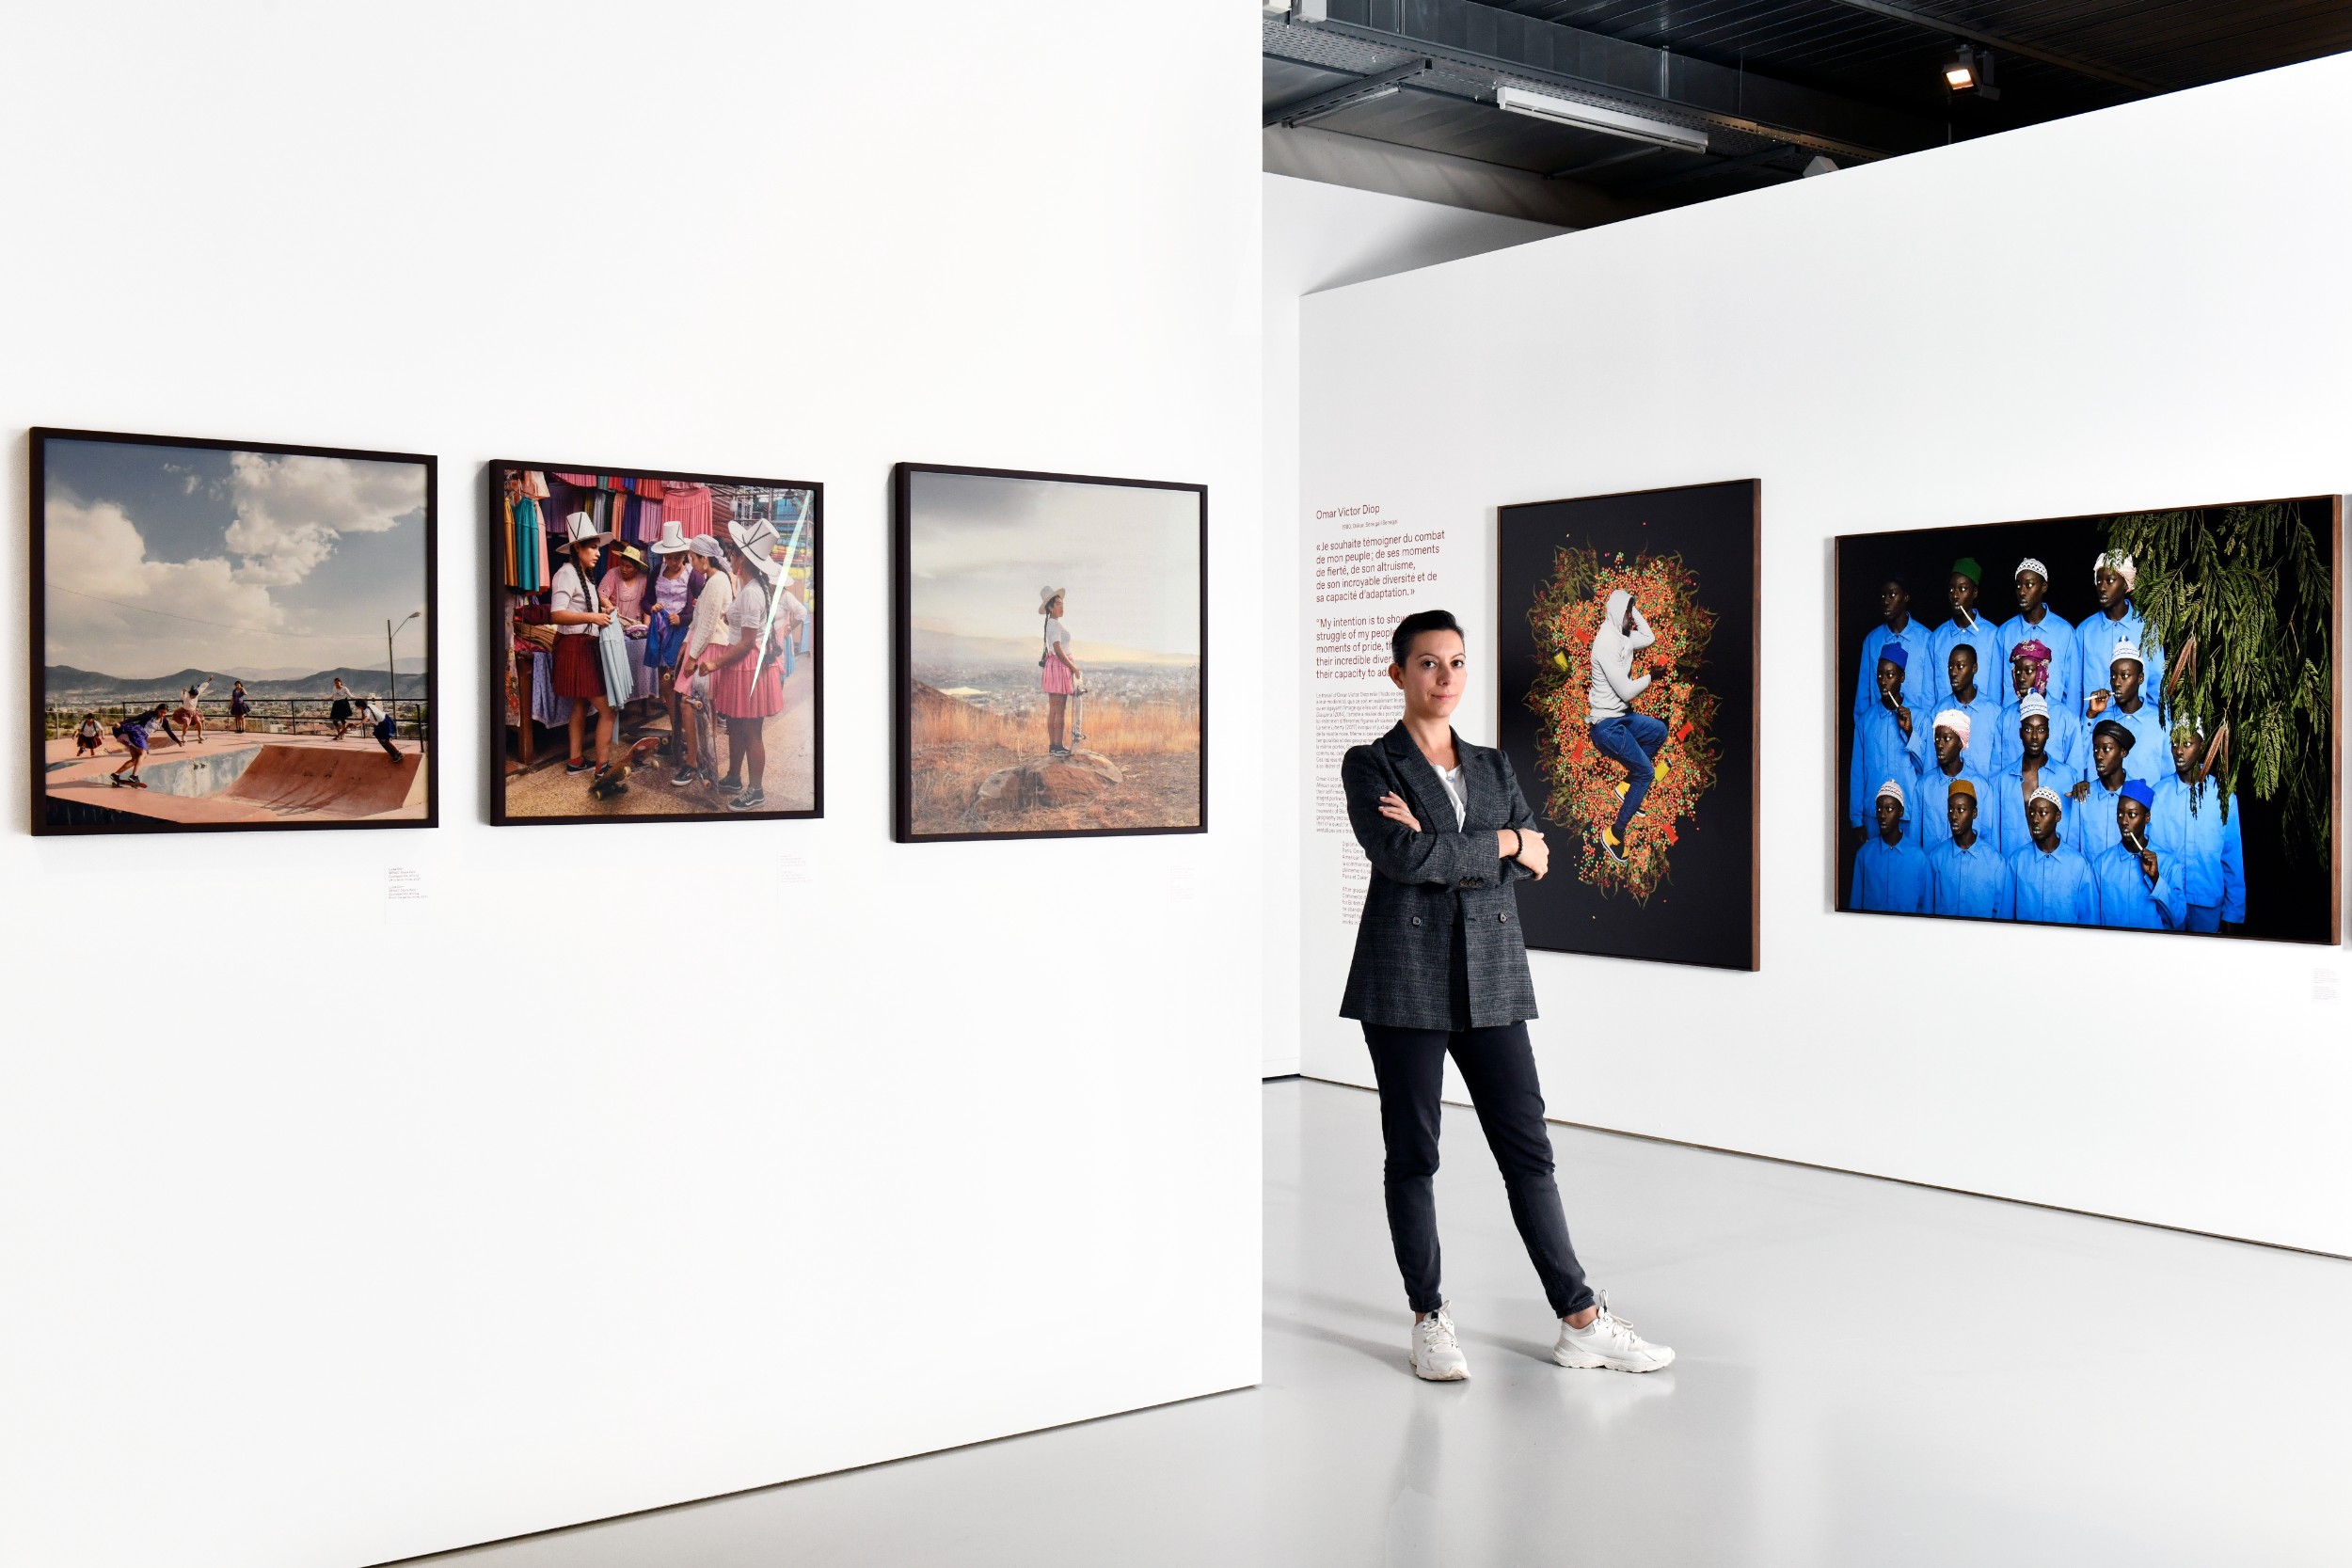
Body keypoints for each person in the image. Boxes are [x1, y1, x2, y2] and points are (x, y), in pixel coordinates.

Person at [1342, 608, 1672, 1383]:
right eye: (1429, 662)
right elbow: (1402, 857)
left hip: (1491, 973)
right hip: (1404, 979)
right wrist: (1500, 842)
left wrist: (1462, 846)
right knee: (1414, 1154)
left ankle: (1580, 1319)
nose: (1445, 676)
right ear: (1398, 673)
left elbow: (1537, 858)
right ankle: (1429, 1317)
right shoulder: (1371, 763)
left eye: (1456, 661)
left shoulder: (1491, 764)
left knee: (1528, 1150)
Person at [706, 519, 788, 812]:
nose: (730, 557)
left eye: (734, 553)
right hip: (744, 665)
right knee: (737, 725)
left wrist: (715, 663)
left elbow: (746, 643)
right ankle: (733, 777)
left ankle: (756, 791)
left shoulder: (752, 591)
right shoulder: (750, 587)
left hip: (747, 665)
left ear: (744, 558)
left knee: (751, 730)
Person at [1587, 588, 1673, 865]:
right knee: (1646, 773)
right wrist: (1651, 676)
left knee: (1659, 731)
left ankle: (1627, 786)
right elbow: (1625, 691)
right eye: (1626, 612)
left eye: (1630, 612)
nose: (1630, 617)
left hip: (1622, 718)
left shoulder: (1623, 634)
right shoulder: (1605, 643)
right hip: (1606, 727)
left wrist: (1631, 606)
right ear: (1615, 613)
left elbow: (1649, 637)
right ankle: (1615, 834)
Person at [2152, 718, 2247, 935]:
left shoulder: (2223, 797)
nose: (2179, 751)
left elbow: (2232, 858)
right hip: (2166, 903)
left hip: (2208, 906)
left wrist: (2233, 913)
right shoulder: (2157, 795)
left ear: (2202, 747)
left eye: (2187, 744)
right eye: (2175, 744)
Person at [548, 513, 618, 778]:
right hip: (576, 647)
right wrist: (593, 617)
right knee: (608, 710)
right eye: (593, 547)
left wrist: (603, 607)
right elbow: (556, 614)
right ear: (577, 547)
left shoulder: (584, 577)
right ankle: (603, 767)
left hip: (584, 646)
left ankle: (575, 760)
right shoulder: (566, 574)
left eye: (598, 548)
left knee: (580, 704)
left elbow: (583, 603)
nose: (598, 553)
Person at [670, 535, 735, 789]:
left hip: (708, 648)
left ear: (704, 559)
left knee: (690, 705)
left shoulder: (717, 582)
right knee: (701, 706)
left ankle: (694, 762)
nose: (691, 562)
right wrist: (686, 644)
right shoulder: (713, 580)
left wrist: (693, 657)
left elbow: (707, 625)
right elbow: (699, 620)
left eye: (693, 558)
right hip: (701, 645)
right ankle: (702, 759)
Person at [1850, 645, 1925, 845]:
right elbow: (1857, 773)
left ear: (1902, 677)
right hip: (1874, 817)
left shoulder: (1920, 718)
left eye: (1890, 675)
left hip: (1909, 815)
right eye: (1879, 675)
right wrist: (1856, 819)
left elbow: (1926, 768)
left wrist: (1910, 733)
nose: (1883, 681)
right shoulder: (1865, 722)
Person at [2076, 552, 2164, 722]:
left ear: (2125, 584)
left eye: (2110, 581)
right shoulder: (2084, 631)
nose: (2102, 588)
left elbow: (2158, 684)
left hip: (2137, 728)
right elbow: (2075, 689)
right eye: (2099, 581)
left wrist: (2158, 725)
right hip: (2095, 728)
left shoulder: (2147, 628)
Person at [2090, 780, 2184, 930]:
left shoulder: (2169, 863)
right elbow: (2090, 920)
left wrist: (2156, 879)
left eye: (2132, 814)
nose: (2124, 822)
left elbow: (2177, 918)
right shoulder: (2101, 864)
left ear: (2147, 818)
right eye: (2120, 814)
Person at [1996, 557, 2076, 719]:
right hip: (2013, 721)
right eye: (2018, 585)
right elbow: (1995, 689)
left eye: (2029, 585)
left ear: (2044, 587)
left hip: (2052, 721)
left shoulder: (2064, 631)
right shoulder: (2005, 632)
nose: (2022, 592)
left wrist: (2066, 723)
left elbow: (2072, 689)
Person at [1992, 639, 2084, 780]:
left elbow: (2075, 776)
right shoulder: (2005, 718)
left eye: (2029, 671)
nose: (2022, 678)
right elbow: (1995, 774)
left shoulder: (2067, 718)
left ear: (2042, 672)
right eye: (2018, 672)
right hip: (2015, 793)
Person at [2008, 787, 2099, 926]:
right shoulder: (2017, 861)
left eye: (2043, 813)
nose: (2035, 819)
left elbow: (2088, 919)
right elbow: (2005, 915)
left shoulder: (2078, 864)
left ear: (2058, 817)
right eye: (2031, 813)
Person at [1915, 710, 1998, 860]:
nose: (1940, 745)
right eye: (1937, 738)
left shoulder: (1981, 787)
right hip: (1933, 870)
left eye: (1947, 738)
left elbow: (1987, 838)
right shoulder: (1923, 786)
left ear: (1961, 742)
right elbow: (1915, 840)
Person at [1991, 695, 2069, 852]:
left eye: (2041, 730)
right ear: (2020, 733)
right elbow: (1995, 836)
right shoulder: (2002, 781)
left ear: (2048, 733)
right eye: (2028, 729)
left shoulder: (2067, 776)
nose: (2034, 737)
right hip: (2014, 863)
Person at [2082, 640, 2165, 786]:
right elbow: (2079, 758)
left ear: (2140, 678)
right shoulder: (2100, 720)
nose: (2117, 683)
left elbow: (2168, 777)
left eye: (2125, 676)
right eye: (2113, 677)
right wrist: (2091, 715)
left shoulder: (2159, 723)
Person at [1853, 577, 1933, 724]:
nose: (1886, 601)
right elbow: (1863, 696)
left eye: (1892, 595)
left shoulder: (1927, 639)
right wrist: (1862, 729)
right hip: (1879, 728)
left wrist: (1926, 728)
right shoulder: (1872, 641)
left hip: (1916, 727)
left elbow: (1932, 691)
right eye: (1883, 596)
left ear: (1906, 597)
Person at [646, 520, 696, 756]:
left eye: (677, 557)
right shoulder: (656, 571)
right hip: (660, 633)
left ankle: (687, 736)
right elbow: (645, 600)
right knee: (666, 685)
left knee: (681, 686)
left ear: (685, 555)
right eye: (669, 557)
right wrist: (652, 607)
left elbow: (700, 609)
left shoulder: (693, 575)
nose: (673, 562)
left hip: (682, 634)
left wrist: (682, 618)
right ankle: (677, 734)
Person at [1929, 779, 2010, 919]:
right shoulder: (1936, 857)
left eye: (1961, 810)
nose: (1954, 816)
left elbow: (2001, 914)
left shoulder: (1995, 862)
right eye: (1950, 810)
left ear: (1974, 813)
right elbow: (1927, 909)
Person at [1929, 557, 2001, 711]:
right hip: (1944, 722)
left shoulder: (1994, 636)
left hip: (1984, 720)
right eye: (1951, 589)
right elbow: (1928, 694)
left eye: (1962, 589)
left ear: (1974, 592)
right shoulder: (1936, 638)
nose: (1955, 595)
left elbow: (1998, 687)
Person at [1851, 779, 1931, 914]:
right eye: (1879, 809)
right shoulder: (1864, 854)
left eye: (1889, 809)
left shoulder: (1919, 858)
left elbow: (1924, 908)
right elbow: (1855, 904)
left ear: (1901, 812)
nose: (1882, 815)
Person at [598, 541, 657, 715]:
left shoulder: (643, 579)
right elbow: (602, 594)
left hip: (634, 626)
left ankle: (639, 698)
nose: (624, 569)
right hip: (615, 624)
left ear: (636, 568)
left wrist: (646, 627)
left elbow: (646, 604)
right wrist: (609, 607)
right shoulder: (612, 574)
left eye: (628, 566)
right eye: (622, 564)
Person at [2069, 720, 2136, 862]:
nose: (2099, 756)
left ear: (2123, 752)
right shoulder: (2083, 797)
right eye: (2095, 749)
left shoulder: (2138, 797)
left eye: (2106, 749)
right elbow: (2072, 852)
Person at [1040, 587, 1081, 758]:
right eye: (1057, 604)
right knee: (1059, 709)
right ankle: (1057, 746)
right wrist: (1072, 667)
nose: (1061, 606)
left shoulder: (1052, 624)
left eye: (1062, 603)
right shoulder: (1054, 624)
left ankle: (1055, 745)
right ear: (1050, 607)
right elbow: (1057, 648)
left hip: (1056, 667)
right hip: (1059, 667)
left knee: (1055, 710)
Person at [108, 704, 171, 787]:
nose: (162, 714)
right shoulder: (149, 714)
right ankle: (134, 776)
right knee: (144, 753)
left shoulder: (163, 720)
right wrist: (121, 723)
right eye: (161, 712)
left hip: (140, 737)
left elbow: (169, 731)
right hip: (137, 733)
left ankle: (116, 774)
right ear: (157, 710)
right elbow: (136, 718)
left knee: (135, 760)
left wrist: (178, 741)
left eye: (164, 713)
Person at [355, 697, 402, 763]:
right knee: (382, 740)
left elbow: (366, 718)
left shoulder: (366, 710)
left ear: (360, 706)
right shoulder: (370, 705)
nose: (359, 708)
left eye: (358, 707)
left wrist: (360, 724)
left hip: (383, 723)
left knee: (385, 740)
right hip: (383, 721)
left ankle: (398, 753)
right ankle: (394, 754)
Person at [173, 677, 211, 745]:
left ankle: (200, 735)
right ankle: (183, 735)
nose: (194, 697)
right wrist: (184, 692)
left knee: (199, 722)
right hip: (185, 712)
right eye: (193, 696)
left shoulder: (196, 694)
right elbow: (183, 696)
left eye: (195, 696)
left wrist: (208, 681)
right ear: (190, 694)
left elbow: (202, 688)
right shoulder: (187, 696)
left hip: (194, 712)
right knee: (187, 723)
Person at [328, 676, 355, 742]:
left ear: (340, 682)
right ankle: (338, 733)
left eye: (337, 683)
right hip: (336, 705)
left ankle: (342, 734)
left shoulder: (344, 688)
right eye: (335, 683)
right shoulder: (334, 688)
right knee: (334, 720)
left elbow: (351, 696)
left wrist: (359, 698)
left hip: (343, 705)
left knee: (343, 720)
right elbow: (332, 696)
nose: (336, 684)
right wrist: (325, 698)